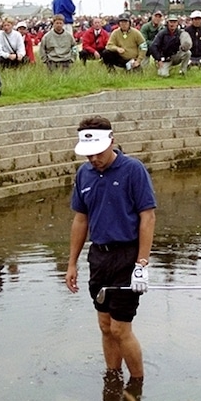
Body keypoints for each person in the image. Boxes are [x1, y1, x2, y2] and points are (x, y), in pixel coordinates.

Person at [65, 116, 156, 380]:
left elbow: (148, 217)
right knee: (105, 325)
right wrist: (71, 263)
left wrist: (142, 264)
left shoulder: (133, 170)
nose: (93, 159)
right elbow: (80, 219)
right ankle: (113, 379)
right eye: (89, 154)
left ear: (112, 142)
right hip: (99, 257)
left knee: (120, 328)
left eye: (98, 153)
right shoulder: (84, 174)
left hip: (127, 256)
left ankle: (137, 383)